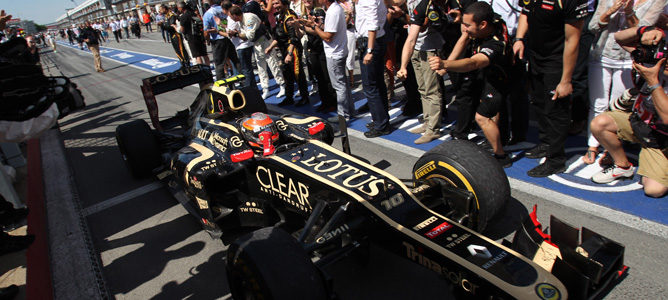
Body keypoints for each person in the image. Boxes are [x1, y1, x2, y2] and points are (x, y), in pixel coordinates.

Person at [430, 2, 513, 166]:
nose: (464, 28)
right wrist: (447, 64)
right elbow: (464, 39)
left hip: (499, 79)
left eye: (467, 25)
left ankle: (501, 156)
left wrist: (445, 64)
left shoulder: (496, 43)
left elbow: (473, 63)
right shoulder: (489, 20)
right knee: (491, 111)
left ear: (482, 25)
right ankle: (497, 139)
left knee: (482, 117)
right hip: (487, 74)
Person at [581, 0, 665, 164]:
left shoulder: (657, 1)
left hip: (628, 58)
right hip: (600, 54)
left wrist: (628, 12)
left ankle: (609, 150)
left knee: (618, 105)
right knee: (597, 103)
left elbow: (643, 31)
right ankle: (592, 146)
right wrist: (611, 11)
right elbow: (592, 26)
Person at [588, 26, 667, 198]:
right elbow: (619, 38)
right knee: (599, 124)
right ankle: (623, 166)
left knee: (654, 189)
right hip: (641, 125)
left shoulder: (653, 73)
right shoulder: (654, 61)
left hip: (662, 141)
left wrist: (653, 81)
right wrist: (646, 30)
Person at [513, 0, 587, 177]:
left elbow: (573, 40)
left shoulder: (569, 2)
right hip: (535, 56)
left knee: (556, 110)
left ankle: (556, 160)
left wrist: (566, 80)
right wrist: (519, 39)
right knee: (539, 103)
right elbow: (525, 12)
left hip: (557, 61)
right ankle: (546, 143)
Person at [397, 0, 447, 144]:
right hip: (417, 49)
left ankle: (433, 130)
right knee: (423, 89)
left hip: (430, 49)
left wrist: (403, 66)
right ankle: (427, 122)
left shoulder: (426, 3)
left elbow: (422, 26)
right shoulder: (410, 2)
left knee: (432, 91)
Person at [301, 0, 355, 118]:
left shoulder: (333, 11)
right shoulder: (335, 9)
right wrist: (315, 24)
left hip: (335, 53)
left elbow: (328, 37)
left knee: (339, 87)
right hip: (338, 51)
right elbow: (329, 29)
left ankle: (343, 116)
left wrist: (314, 26)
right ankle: (350, 110)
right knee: (343, 84)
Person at [356, 0, 392, 137]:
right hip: (375, 41)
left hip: (371, 43)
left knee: (370, 86)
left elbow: (372, 25)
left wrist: (369, 50)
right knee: (377, 83)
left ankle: (381, 124)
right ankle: (381, 119)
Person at [267, 0, 311, 106]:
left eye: (277, 3)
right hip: (284, 49)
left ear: (284, 4)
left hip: (292, 50)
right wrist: (270, 47)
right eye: (273, 4)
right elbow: (279, 36)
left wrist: (290, 54)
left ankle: (305, 97)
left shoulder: (289, 17)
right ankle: (289, 97)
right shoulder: (280, 16)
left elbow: (294, 38)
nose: (275, 6)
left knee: (297, 74)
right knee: (287, 75)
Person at [242, 0, 288, 99]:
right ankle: (265, 88)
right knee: (261, 67)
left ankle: (282, 84)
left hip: (265, 41)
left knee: (273, 64)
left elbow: (250, 34)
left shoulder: (256, 17)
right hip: (257, 43)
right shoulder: (249, 18)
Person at [301, 1, 338, 112]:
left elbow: (319, 30)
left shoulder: (319, 11)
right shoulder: (304, 15)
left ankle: (332, 103)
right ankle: (324, 102)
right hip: (312, 49)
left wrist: (304, 26)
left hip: (322, 49)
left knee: (327, 78)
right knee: (319, 78)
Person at [204, 0, 238, 80]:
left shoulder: (208, 14)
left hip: (217, 40)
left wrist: (207, 40)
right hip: (229, 37)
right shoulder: (227, 10)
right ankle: (242, 79)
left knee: (219, 64)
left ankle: (221, 84)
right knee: (235, 60)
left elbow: (206, 31)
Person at [227, 6, 259, 89]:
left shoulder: (248, 18)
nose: (231, 19)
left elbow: (249, 36)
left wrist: (237, 34)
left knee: (247, 69)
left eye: (231, 17)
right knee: (250, 68)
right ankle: (253, 88)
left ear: (235, 15)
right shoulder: (241, 21)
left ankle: (250, 88)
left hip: (261, 42)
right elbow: (244, 36)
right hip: (253, 43)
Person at [178, 1, 211, 66]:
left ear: (181, 8)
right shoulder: (193, 13)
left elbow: (182, 29)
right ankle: (208, 68)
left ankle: (202, 70)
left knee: (197, 56)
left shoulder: (183, 16)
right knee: (205, 54)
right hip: (199, 35)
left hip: (191, 37)